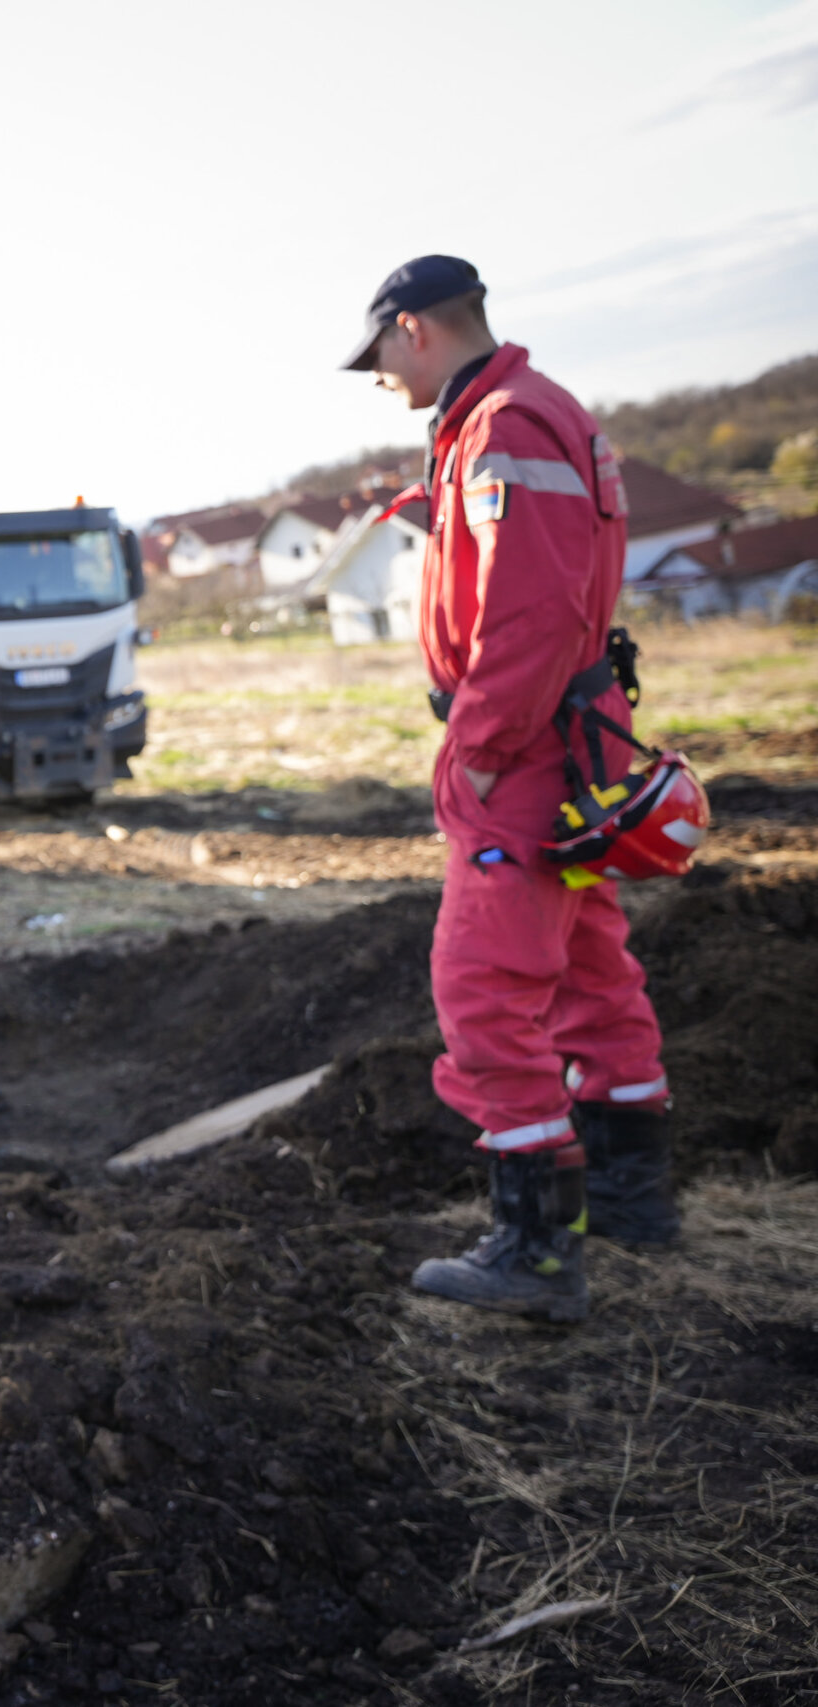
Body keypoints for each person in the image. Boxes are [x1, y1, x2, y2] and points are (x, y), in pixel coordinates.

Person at [344, 255, 673, 1324]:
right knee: (586, 966)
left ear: (414, 329)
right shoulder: (533, 414)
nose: (378, 374)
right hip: (574, 734)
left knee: (482, 987)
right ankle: (631, 1200)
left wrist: (475, 749)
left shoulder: (502, 430)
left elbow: (528, 614)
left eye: (379, 353)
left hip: (525, 746)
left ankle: (534, 1253)